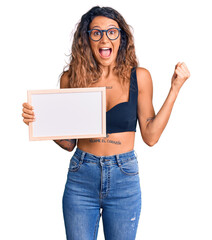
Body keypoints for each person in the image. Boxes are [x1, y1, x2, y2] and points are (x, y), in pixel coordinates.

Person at [22, 6, 190, 240]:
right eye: (96, 32)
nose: (104, 38)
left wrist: (175, 89)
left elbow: (150, 136)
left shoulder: (139, 77)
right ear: (86, 39)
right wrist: (41, 121)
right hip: (82, 175)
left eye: (112, 32)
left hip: (124, 177)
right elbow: (69, 142)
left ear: (121, 37)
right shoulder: (71, 78)